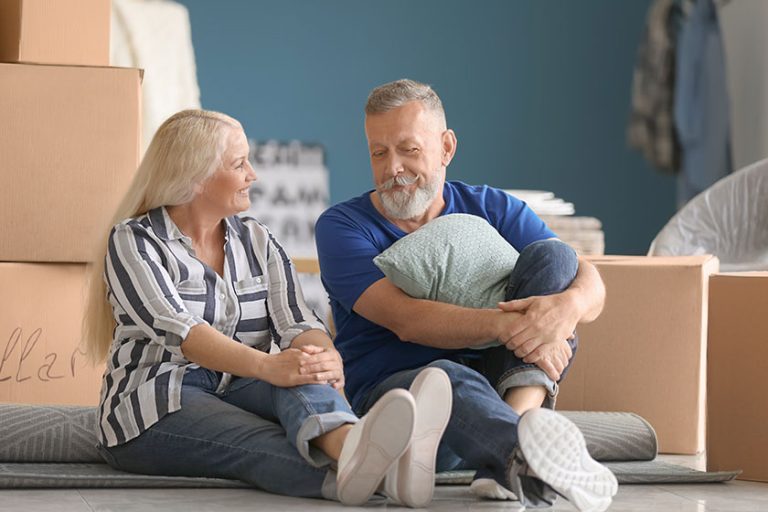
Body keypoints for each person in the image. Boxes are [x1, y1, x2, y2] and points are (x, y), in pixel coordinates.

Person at [82, 109, 452, 507]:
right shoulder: (133, 241)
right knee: (253, 437)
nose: (252, 175)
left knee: (303, 368)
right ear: (196, 178)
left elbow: (296, 320)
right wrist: (267, 366)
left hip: (236, 387)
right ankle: (379, 465)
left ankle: (358, 450)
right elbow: (183, 333)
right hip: (155, 401)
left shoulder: (256, 238)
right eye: (239, 163)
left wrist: (322, 358)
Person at [315, 79, 618, 511]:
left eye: (409, 149)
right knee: (444, 377)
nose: (392, 168)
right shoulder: (341, 226)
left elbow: (587, 279)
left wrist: (564, 311)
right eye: (378, 153)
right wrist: (524, 326)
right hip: (401, 404)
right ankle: (525, 455)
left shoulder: (492, 207)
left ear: (446, 148)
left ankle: (515, 424)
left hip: (497, 383)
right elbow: (406, 319)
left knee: (553, 260)